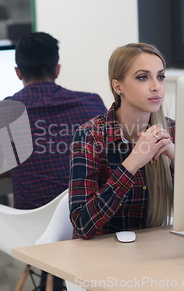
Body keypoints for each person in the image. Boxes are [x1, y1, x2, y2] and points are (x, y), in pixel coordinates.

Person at [0, 32, 107, 291]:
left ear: (17, 72)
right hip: (91, 220)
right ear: (57, 68)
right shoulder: (92, 102)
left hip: (33, 230)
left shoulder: (2, 111)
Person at [68, 43, 175, 240]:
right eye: (143, 77)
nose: (156, 86)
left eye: (160, 76)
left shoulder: (172, 131)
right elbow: (82, 225)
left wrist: (177, 159)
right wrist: (132, 163)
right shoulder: (91, 135)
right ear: (118, 86)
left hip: (155, 249)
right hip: (103, 256)